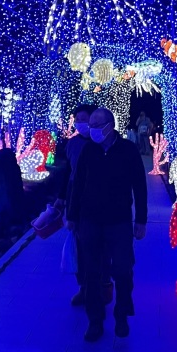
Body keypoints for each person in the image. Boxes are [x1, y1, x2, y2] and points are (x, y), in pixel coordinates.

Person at [67, 107, 148, 341]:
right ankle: (95, 320)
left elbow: (139, 187)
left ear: (110, 126)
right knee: (91, 272)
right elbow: (78, 183)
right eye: (89, 125)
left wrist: (140, 220)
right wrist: (72, 216)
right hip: (89, 221)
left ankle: (121, 314)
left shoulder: (127, 151)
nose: (91, 129)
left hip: (119, 221)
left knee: (123, 269)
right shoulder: (88, 150)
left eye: (96, 125)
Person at [53, 104, 108, 306]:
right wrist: (61, 197)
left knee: (98, 245)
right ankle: (84, 288)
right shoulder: (73, 143)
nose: (80, 123)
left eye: (84, 119)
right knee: (78, 244)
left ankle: (101, 285)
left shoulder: (103, 143)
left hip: (97, 199)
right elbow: (68, 170)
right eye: (77, 119)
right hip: (75, 197)